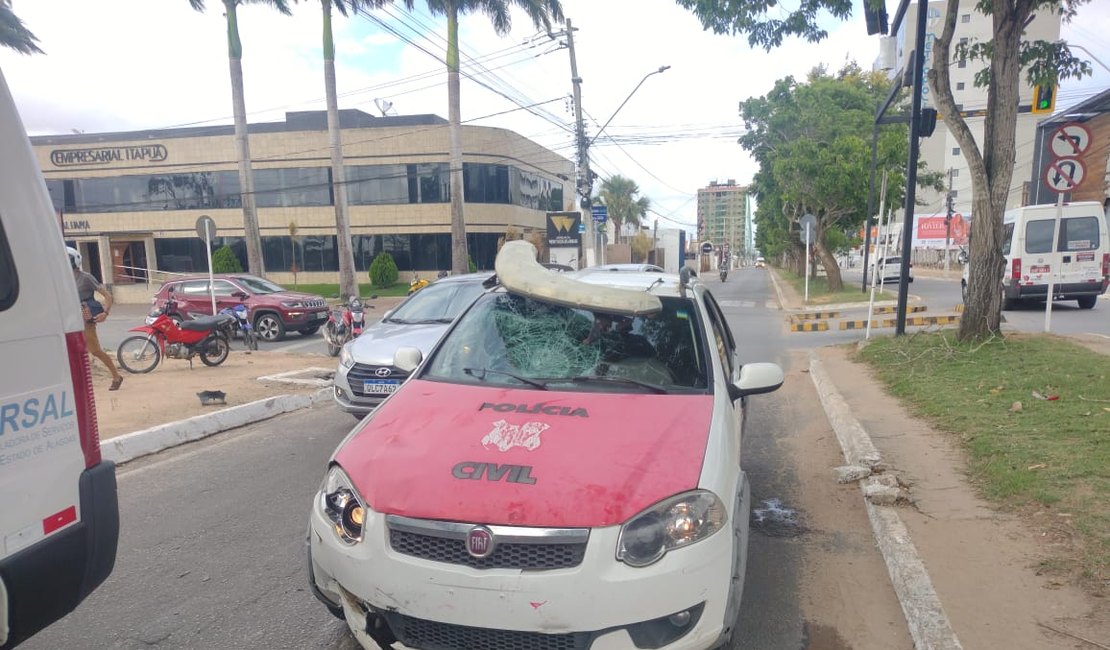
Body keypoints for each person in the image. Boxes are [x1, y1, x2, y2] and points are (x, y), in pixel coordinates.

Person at [68, 247, 123, 391]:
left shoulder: (85, 277)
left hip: (85, 318)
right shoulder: (62, 278)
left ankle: (116, 376)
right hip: (69, 319)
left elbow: (108, 296)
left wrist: (105, 312)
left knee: (95, 350)